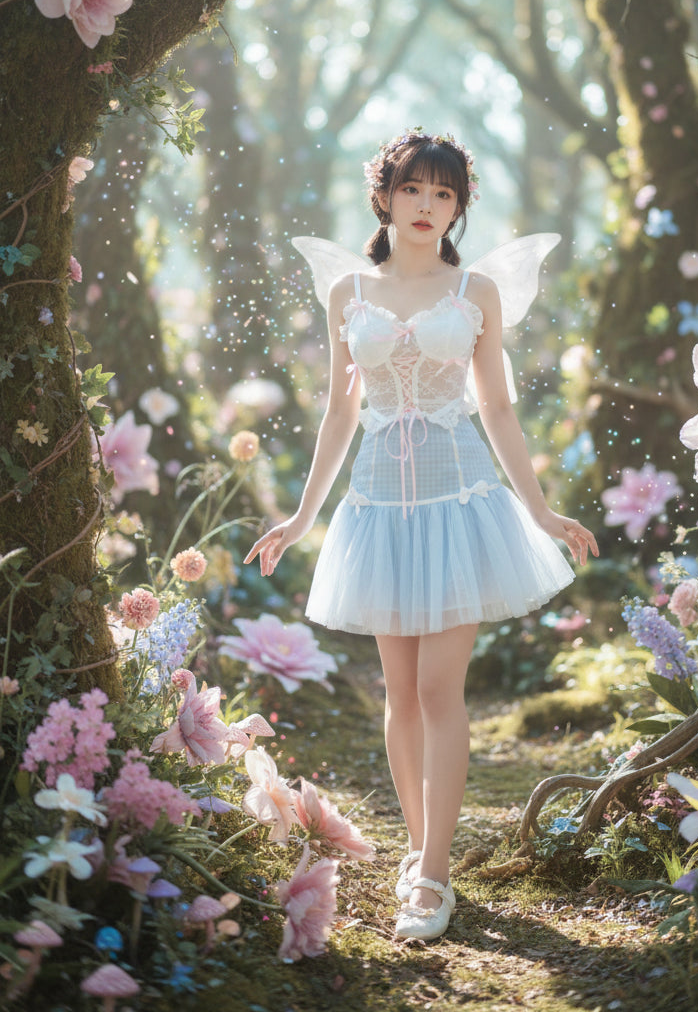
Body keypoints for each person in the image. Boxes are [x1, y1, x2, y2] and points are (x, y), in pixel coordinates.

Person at [245, 130, 598, 942]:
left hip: (460, 503)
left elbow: (497, 408)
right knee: (399, 696)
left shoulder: (475, 290)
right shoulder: (349, 292)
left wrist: (540, 510)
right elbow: (339, 414)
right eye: (413, 189)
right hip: (377, 507)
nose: (427, 206)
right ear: (385, 196)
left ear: (459, 207)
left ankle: (434, 877)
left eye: (444, 194)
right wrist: (302, 516)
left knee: (440, 691)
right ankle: (417, 849)